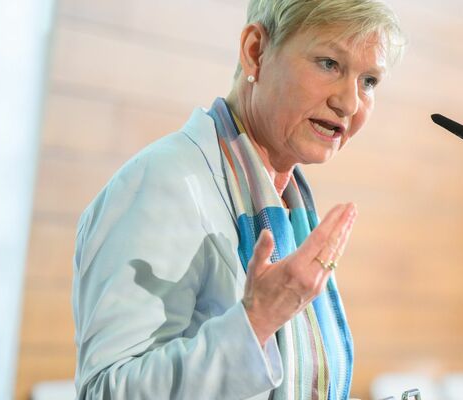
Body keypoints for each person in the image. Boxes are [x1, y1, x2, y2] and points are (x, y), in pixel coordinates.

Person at [71, 0, 404, 398]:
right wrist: (255, 323)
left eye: (369, 81)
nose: (349, 103)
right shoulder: (164, 181)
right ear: (255, 52)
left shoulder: (289, 207)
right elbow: (105, 390)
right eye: (329, 64)